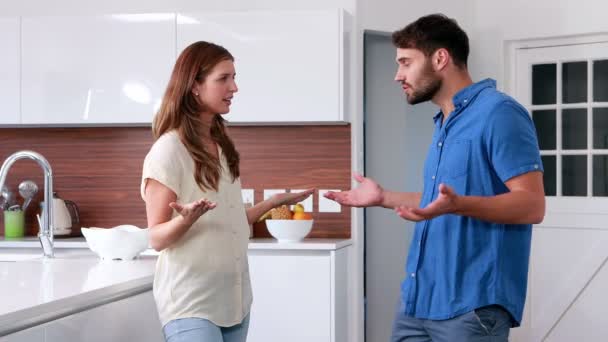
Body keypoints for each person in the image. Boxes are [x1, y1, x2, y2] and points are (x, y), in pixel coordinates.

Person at [325, 14, 545, 342]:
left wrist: (459, 204)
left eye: (405, 62)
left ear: (440, 58)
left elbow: (531, 205)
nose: (397, 75)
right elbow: (439, 202)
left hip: (471, 305)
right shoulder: (444, 122)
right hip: (418, 301)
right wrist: (383, 197)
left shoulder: (499, 113)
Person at [141, 41, 313, 342]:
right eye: (224, 78)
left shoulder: (221, 147)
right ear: (194, 85)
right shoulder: (169, 150)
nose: (234, 87)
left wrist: (272, 203)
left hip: (234, 301)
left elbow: (228, 221)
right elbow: (155, 237)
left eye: (234, 77)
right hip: (191, 303)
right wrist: (185, 220)